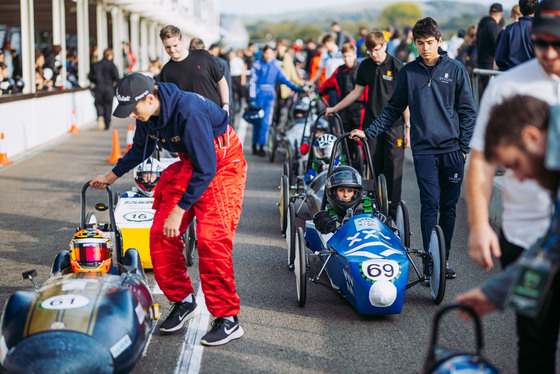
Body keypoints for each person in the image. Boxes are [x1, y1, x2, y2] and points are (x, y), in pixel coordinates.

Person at [90, 73, 247, 346]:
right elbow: (141, 148)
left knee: (212, 241)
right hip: (192, 162)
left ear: (150, 99)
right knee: (160, 234)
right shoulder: (148, 115)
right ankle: (183, 300)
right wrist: (111, 176)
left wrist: (180, 209)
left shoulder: (189, 111)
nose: (132, 116)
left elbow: (207, 168)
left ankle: (228, 320)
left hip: (222, 165)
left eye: (134, 110)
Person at [465, 0, 560, 370]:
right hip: (525, 240)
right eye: (540, 43)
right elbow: (548, 253)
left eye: (516, 165)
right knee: (534, 343)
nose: (514, 178)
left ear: (536, 139)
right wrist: (479, 223)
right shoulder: (507, 86)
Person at [349, 18, 476, 278]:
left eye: (430, 43)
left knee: (449, 207)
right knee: (430, 204)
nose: (425, 48)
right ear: (414, 43)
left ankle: (443, 259)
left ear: (439, 42)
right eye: (420, 43)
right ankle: (431, 263)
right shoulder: (408, 72)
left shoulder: (456, 69)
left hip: (453, 150)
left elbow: (467, 111)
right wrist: (369, 131)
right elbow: (393, 108)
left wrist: (464, 147)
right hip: (424, 150)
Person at [326, 31, 410, 219]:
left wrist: (408, 128)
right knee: (373, 168)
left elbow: (406, 101)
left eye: (377, 50)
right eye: (370, 51)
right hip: (371, 125)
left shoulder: (398, 67)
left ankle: (394, 215)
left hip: (394, 126)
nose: (374, 54)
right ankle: (374, 210)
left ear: (385, 46)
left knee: (393, 170)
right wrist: (335, 108)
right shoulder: (365, 66)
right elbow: (356, 92)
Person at [158, 25, 230, 112]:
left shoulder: (203, 55)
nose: (172, 50)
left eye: (175, 45)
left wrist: (226, 105)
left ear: (182, 40)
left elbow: (221, 81)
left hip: (215, 114)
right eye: (168, 47)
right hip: (190, 120)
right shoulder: (166, 71)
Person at [249, 45, 302, 157]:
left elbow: (284, 79)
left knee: (266, 122)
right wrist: (252, 98)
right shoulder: (257, 65)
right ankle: (254, 145)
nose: (268, 55)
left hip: (270, 96)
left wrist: (296, 87)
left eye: (270, 53)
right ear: (263, 53)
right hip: (258, 96)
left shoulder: (276, 65)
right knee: (257, 121)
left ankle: (262, 146)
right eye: (266, 53)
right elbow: (252, 82)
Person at [320, 43, 364, 166]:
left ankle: (362, 165)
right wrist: (320, 93)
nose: (347, 59)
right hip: (343, 109)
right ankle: (348, 165)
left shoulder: (361, 69)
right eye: (344, 56)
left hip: (360, 109)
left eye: (349, 56)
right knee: (346, 138)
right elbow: (328, 83)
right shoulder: (339, 71)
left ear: (355, 56)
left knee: (359, 139)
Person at [313, 166, 364, 234]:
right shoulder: (325, 216)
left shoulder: (366, 210)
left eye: (350, 191)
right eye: (341, 190)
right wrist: (336, 225)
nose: (345, 195)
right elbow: (321, 222)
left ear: (355, 193)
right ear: (334, 193)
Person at [495, 0, 538, 71]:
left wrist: (510, 69)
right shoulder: (541, 30)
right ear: (537, 9)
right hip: (536, 76)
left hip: (513, 75)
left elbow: (499, 59)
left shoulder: (509, 29)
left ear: (520, 9)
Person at [89, 48, 119, 130]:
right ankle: (107, 124)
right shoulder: (112, 65)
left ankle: (100, 115)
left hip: (98, 87)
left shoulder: (96, 64)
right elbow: (117, 77)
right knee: (108, 106)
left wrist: (95, 81)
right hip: (109, 87)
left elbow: (90, 76)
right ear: (110, 55)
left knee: (98, 103)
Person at [476, 3, 503, 91]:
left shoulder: (482, 25)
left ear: (489, 12)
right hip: (490, 66)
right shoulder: (493, 26)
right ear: (501, 13)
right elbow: (499, 46)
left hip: (481, 63)